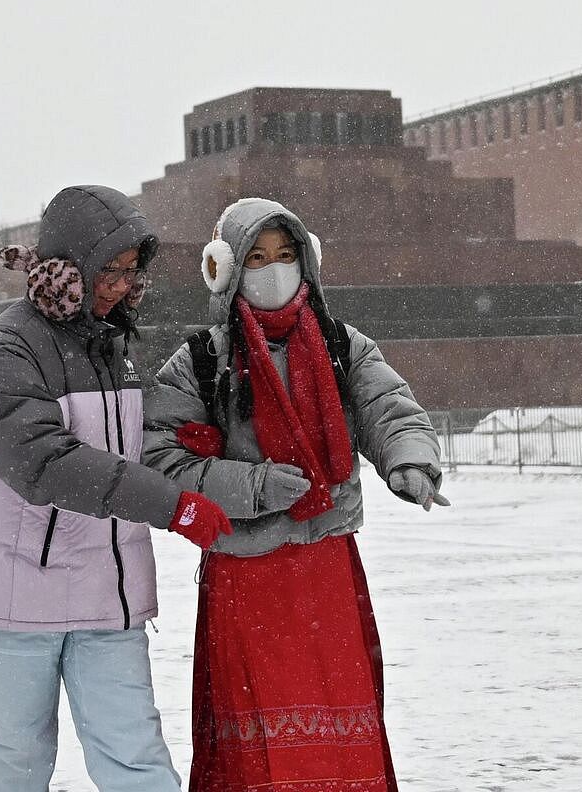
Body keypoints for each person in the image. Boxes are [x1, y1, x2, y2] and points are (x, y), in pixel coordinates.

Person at [143, 198, 446, 792]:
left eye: (285, 255)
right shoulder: (201, 361)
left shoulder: (342, 346)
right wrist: (253, 487)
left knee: (338, 722)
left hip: (325, 566)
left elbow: (390, 408)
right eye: (256, 258)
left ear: (308, 261)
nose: (273, 270)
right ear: (226, 268)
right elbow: (162, 460)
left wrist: (410, 461)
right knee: (256, 733)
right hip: (244, 573)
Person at [0, 185, 234, 792]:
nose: (120, 286)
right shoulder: (8, 347)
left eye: (130, 272)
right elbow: (43, 461)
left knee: (134, 754)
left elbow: (113, 431)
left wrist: (174, 431)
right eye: (107, 271)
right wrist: (171, 506)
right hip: (16, 593)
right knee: (18, 758)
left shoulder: (108, 345)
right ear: (68, 269)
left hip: (105, 590)